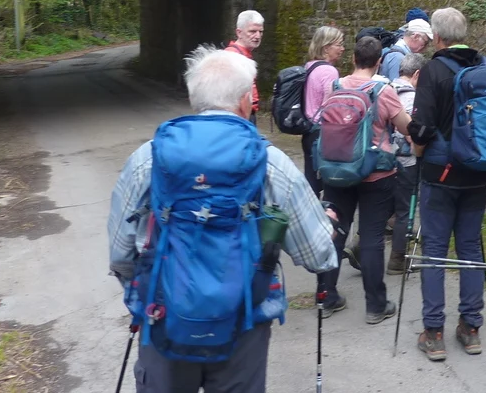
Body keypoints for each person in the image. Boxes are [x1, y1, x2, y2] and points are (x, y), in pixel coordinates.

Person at [108, 46, 338, 393]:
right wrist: (327, 223)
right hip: (243, 320)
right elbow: (318, 254)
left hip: (164, 314)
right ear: (246, 99)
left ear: (192, 96)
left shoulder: (148, 158)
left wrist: (141, 288)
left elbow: (121, 253)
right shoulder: (270, 162)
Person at [407, 7, 486, 362]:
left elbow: (422, 127)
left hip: (440, 173)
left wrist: (416, 147)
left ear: (438, 37)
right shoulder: (484, 68)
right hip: (478, 172)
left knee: (435, 251)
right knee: (470, 248)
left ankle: (434, 332)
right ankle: (471, 328)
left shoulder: (433, 70)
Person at [317, 37, 412, 323]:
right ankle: (375, 306)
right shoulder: (383, 90)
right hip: (376, 173)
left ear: (354, 59)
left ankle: (327, 297)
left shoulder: (336, 86)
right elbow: (405, 126)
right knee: (371, 238)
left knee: (335, 231)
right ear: (379, 61)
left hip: (337, 169)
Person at [387, 52, 426, 274]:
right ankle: (397, 260)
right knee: (404, 210)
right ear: (417, 74)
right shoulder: (412, 99)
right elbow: (412, 133)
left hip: (382, 159)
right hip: (406, 161)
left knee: (381, 206)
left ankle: (359, 247)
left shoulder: (384, 90)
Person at [302, 26, 345, 199]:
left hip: (308, 130)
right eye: (339, 44)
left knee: (311, 181)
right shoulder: (329, 71)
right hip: (323, 132)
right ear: (326, 47)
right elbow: (331, 105)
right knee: (329, 183)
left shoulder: (310, 66)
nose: (342, 49)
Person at [225, 10, 264, 124]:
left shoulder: (243, 54)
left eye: (260, 31)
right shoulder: (233, 56)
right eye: (252, 31)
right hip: (238, 117)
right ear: (239, 33)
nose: (258, 36)